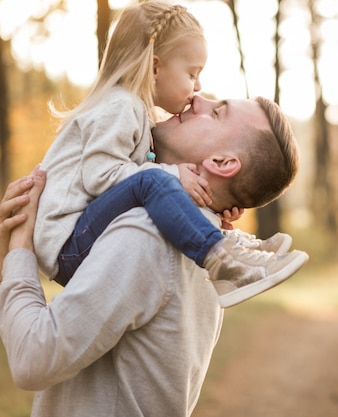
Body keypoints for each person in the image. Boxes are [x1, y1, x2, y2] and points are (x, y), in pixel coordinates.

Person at [0, 93, 306, 416]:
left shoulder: (149, 231)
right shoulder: (201, 236)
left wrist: (19, 247)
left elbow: (33, 357)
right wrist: (7, 266)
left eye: (216, 113)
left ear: (223, 163)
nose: (197, 99)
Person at [35, 0, 305, 308]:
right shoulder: (120, 107)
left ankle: (226, 243)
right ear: (154, 67)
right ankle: (221, 262)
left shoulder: (136, 113)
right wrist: (173, 176)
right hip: (66, 241)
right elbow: (103, 178)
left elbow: (132, 181)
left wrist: (212, 209)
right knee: (155, 181)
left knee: (155, 181)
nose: (199, 88)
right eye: (192, 73)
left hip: (81, 235)